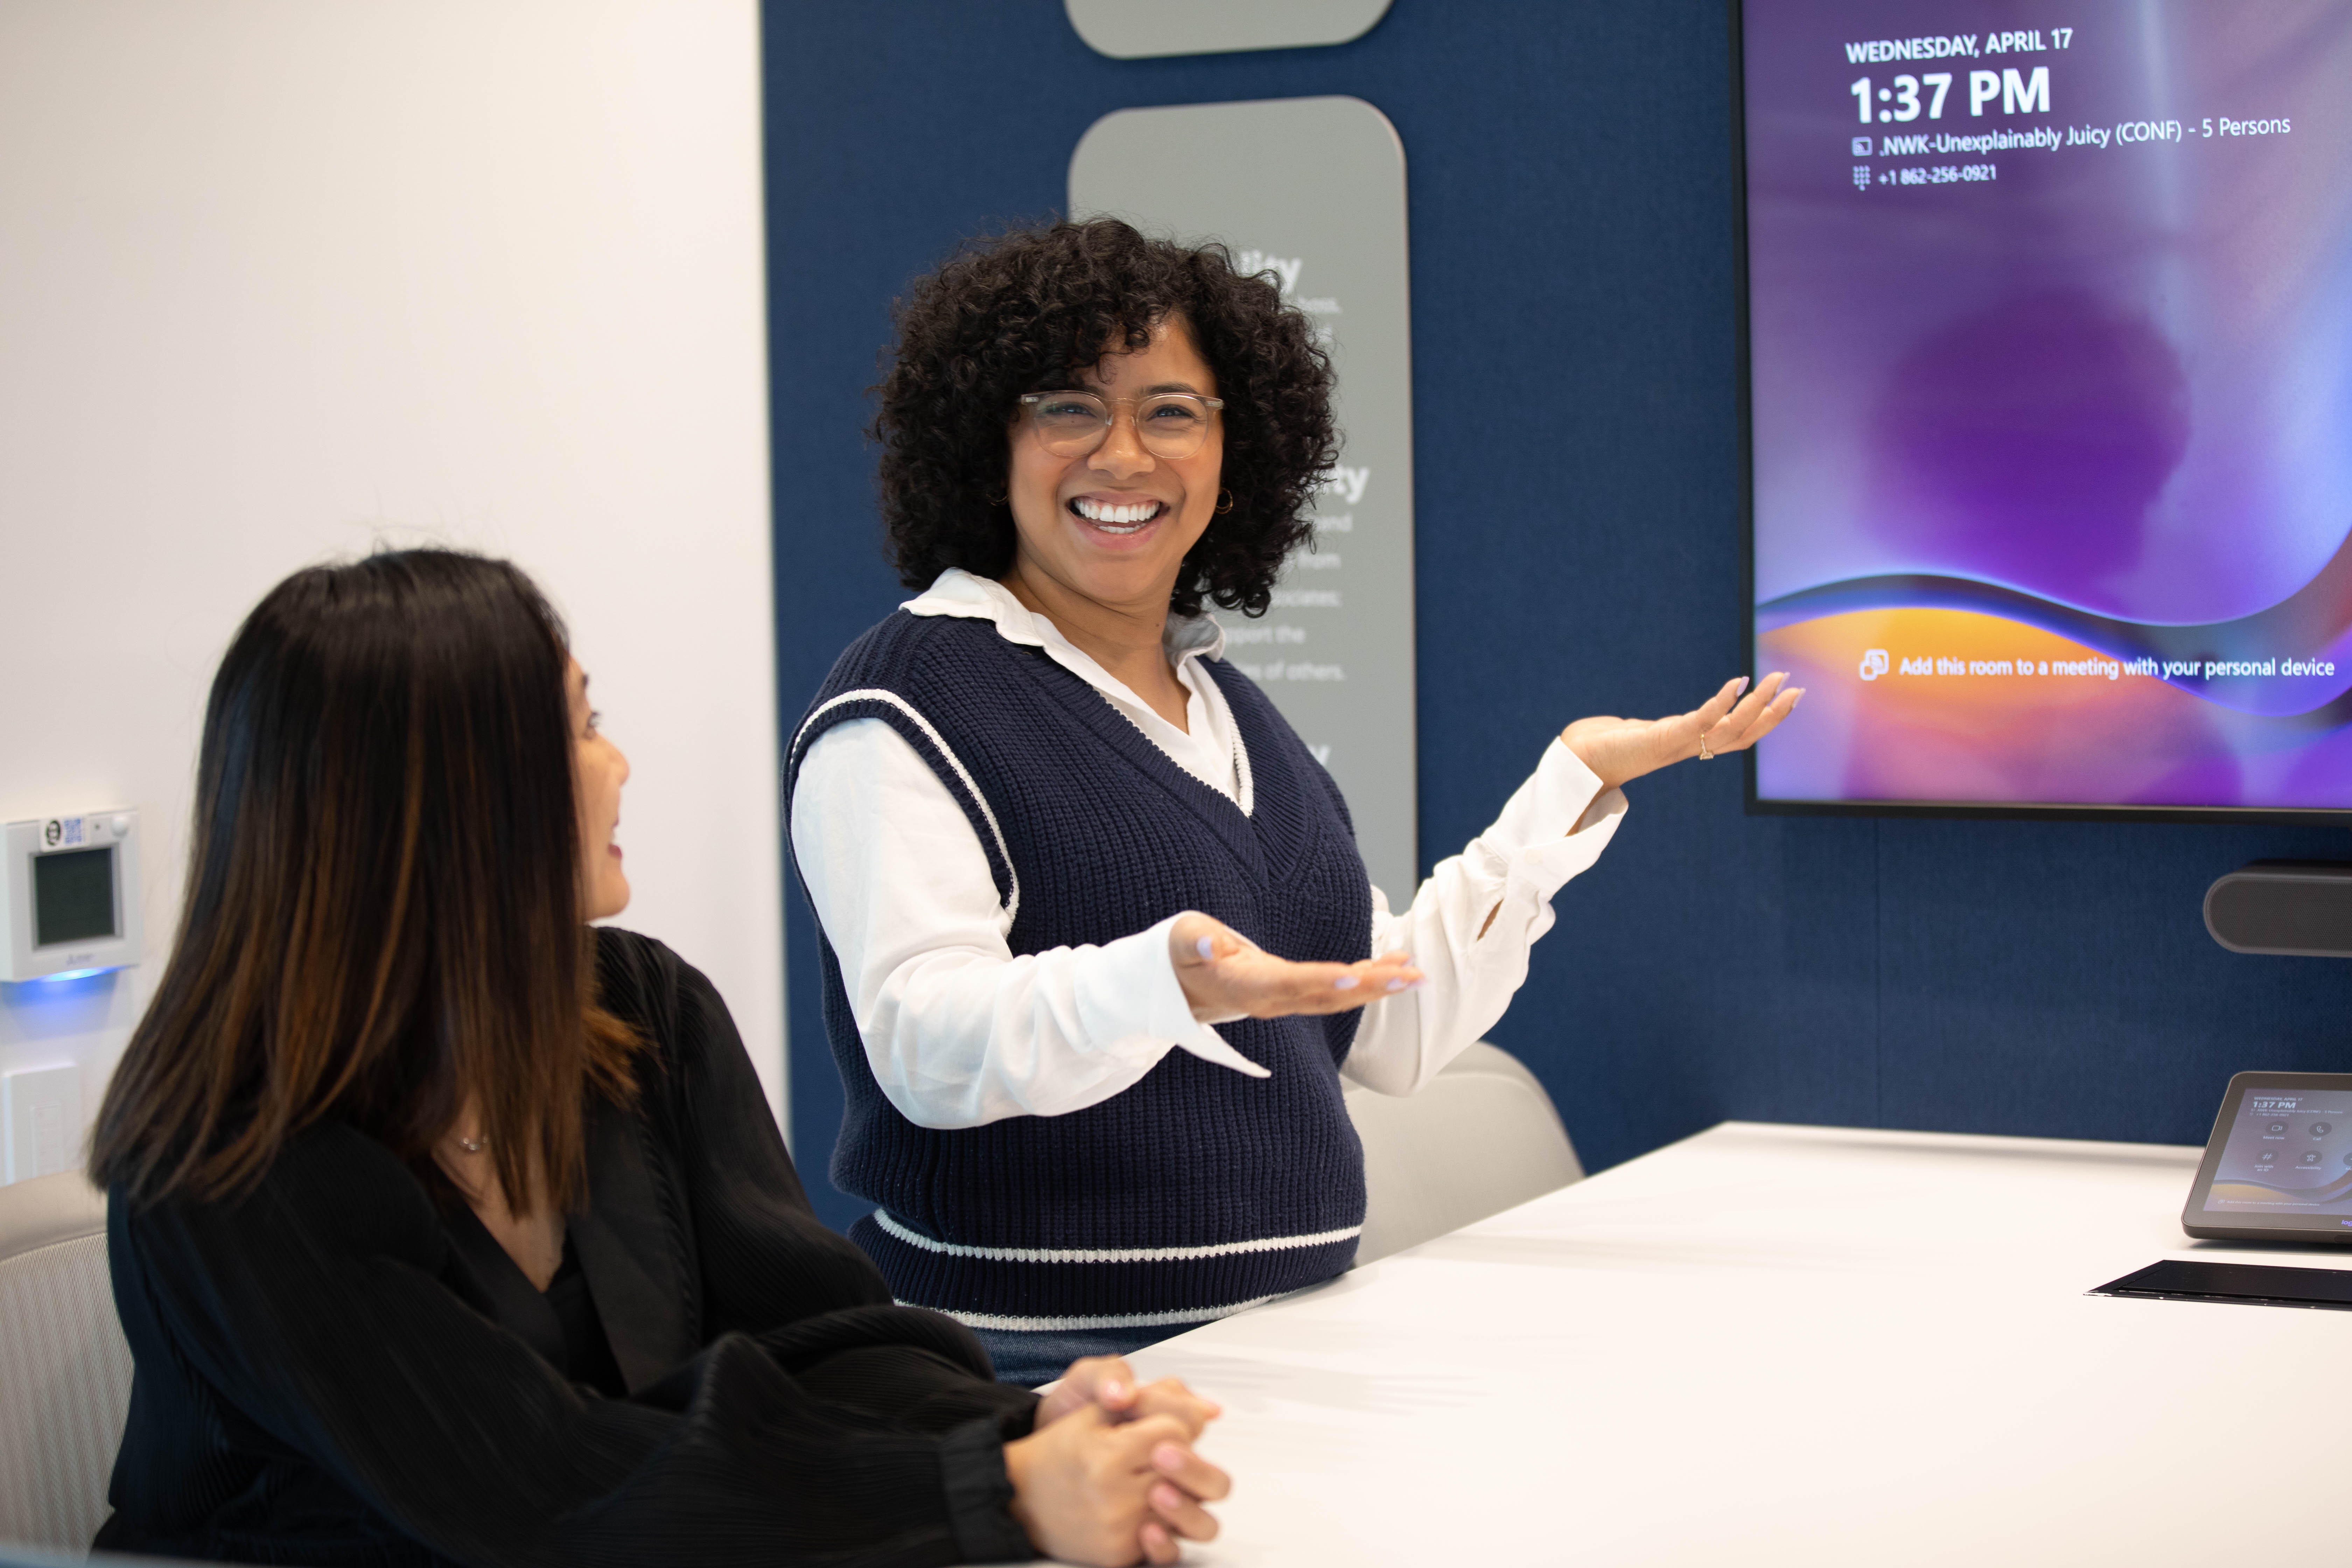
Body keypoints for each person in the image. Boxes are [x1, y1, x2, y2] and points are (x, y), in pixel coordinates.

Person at [786, 219, 1804, 1386]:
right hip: (1052, 1370)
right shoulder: (903, 702)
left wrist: (1572, 786)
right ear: (987, 441)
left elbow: (1386, 1031)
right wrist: (1162, 978)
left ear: (1237, 451)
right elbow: (924, 1042)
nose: (1123, 455)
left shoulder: (1227, 708)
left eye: (1170, 410)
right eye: (1068, 406)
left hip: (1288, 1338)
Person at [88, 550, 1229, 1568]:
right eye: (581, 727)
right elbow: (535, 1489)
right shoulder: (229, 1159)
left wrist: (1016, 1429)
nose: (620, 763)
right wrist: (997, 1493)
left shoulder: (640, 1009)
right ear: (450, 800)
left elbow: (816, 1341)